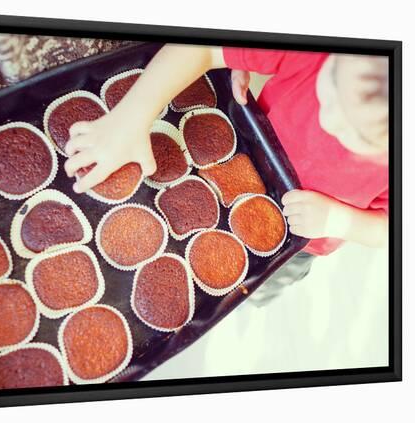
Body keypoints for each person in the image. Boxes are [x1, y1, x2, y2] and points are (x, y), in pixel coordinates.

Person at [63, 45, 389, 305]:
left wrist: (340, 221)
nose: (328, 116)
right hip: (246, 153)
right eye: (331, 86)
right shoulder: (326, 50)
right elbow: (200, 49)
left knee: (256, 285)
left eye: (355, 133)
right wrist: (130, 118)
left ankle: (260, 296)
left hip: (302, 238)